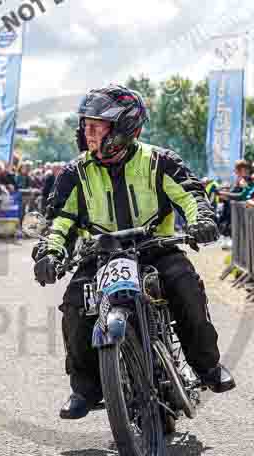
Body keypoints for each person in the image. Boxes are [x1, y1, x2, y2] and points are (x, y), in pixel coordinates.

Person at [31, 85, 234, 420]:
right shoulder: (74, 173)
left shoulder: (160, 162)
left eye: (97, 125)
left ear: (123, 128)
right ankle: (85, 389)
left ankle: (207, 367)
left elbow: (191, 197)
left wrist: (203, 220)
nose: (88, 132)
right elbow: (59, 222)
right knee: (74, 304)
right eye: (86, 125)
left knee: (185, 285)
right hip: (101, 256)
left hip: (155, 250)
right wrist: (48, 253)